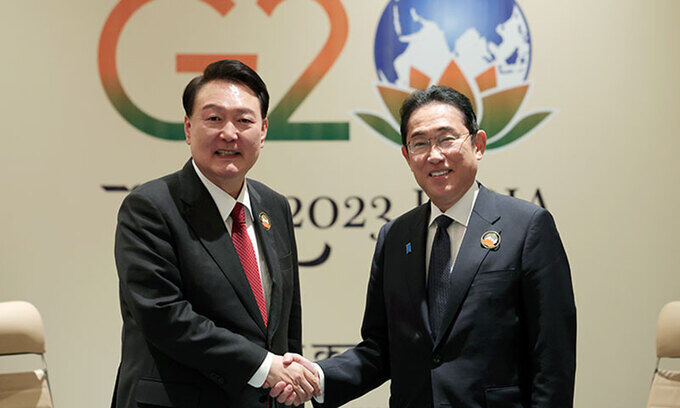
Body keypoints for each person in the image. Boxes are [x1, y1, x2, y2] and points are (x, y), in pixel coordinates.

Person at [272, 85, 576, 407]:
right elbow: (380, 348)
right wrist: (318, 378)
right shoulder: (395, 236)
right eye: (420, 143)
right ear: (407, 156)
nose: (434, 155)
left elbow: (552, 357)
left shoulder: (527, 227)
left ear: (478, 145)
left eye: (446, 139)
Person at [111, 59, 319, 407]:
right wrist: (263, 366)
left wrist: (287, 382)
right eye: (214, 119)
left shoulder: (274, 206)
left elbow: (286, 321)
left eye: (244, 120)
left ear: (263, 131)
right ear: (188, 128)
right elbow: (164, 315)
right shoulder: (150, 207)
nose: (229, 133)